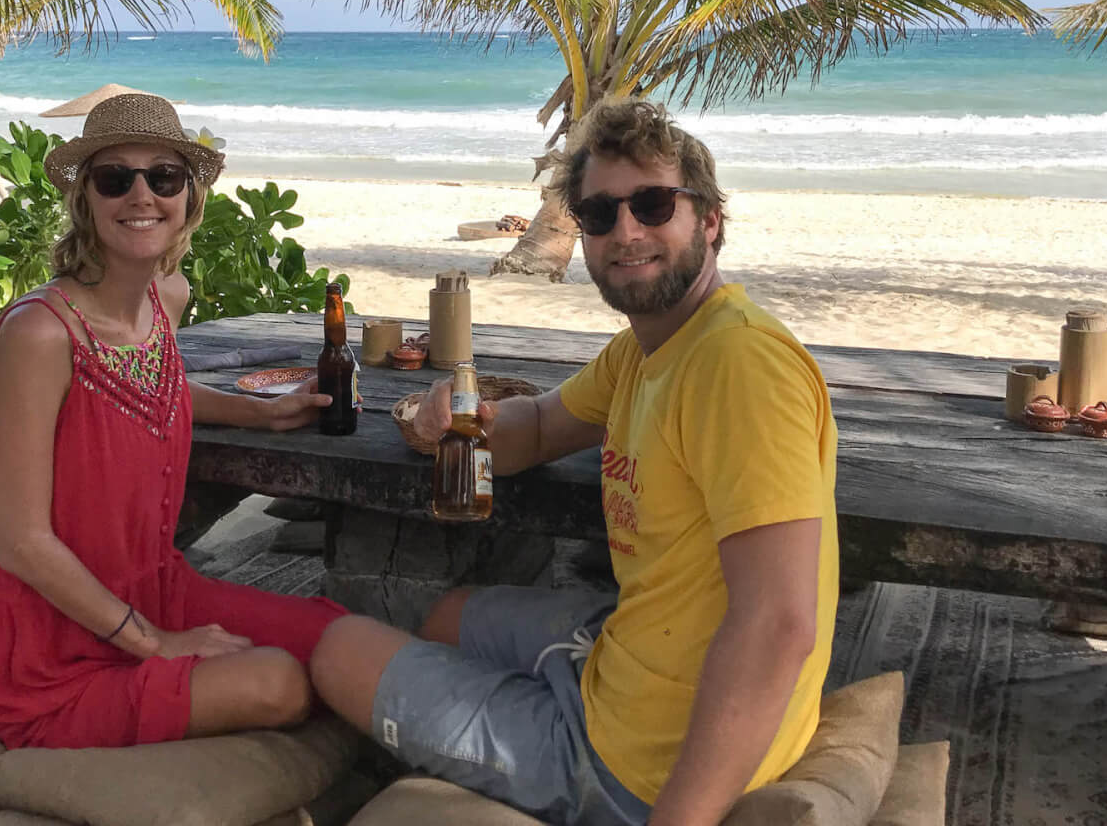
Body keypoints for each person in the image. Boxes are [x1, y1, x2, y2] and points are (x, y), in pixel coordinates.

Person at [308, 99, 839, 826]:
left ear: (708, 220)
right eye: (599, 215)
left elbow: (779, 623)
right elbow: (538, 427)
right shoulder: (651, 347)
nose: (626, 232)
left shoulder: (738, 364)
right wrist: (458, 419)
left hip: (633, 764)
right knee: (449, 614)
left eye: (654, 205)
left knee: (340, 648)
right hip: (629, 658)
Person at [0, 93, 348, 748]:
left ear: (188, 196)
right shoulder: (39, 333)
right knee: (279, 682)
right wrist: (157, 644)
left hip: (161, 586)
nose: (142, 196)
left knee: (338, 635)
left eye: (162, 177)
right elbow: (23, 544)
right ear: (85, 200)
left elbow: (148, 381)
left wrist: (258, 412)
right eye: (116, 179)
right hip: (50, 661)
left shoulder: (167, 297)